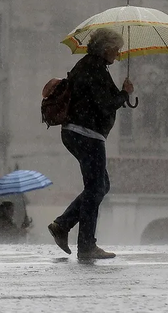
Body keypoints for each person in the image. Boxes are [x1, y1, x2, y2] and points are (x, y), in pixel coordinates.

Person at [47, 28, 133, 260]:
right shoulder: (94, 69)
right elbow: (105, 103)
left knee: (100, 186)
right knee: (96, 188)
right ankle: (85, 244)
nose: (118, 53)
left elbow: (103, 99)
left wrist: (122, 94)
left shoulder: (91, 66)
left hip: (79, 134)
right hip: (86, 134)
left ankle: (64, 226)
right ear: (106, 48)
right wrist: (124, 94)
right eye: (116, 49)